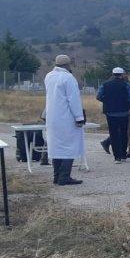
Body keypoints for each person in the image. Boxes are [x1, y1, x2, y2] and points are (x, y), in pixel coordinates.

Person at [43, 54, 85, 185]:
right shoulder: (68, 78)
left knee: (56, 147)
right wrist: (79, 117)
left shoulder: (48, 76)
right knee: (69, 147)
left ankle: (56, 176)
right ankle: (64, 176)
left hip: (52, 118)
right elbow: (73, 100)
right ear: (67, 65)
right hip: (66, 118)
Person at [98, 67, 130, 163]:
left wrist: (107, 101)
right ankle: (123, 155)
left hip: (110, 113)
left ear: (113, 74)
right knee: (123, 133)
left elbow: (99, 96)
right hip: (124, 112)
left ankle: (117, 157)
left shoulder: (105, 84)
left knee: (114, 134)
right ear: (122, 75)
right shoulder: (127, 85)